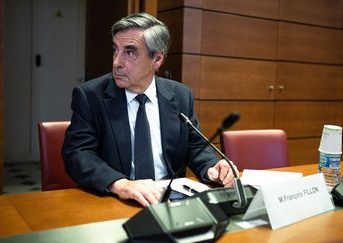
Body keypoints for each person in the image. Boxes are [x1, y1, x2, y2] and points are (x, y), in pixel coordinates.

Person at [62, 12, 236, 207]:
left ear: (157, 59)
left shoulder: (180, 95)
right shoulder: (91, 95)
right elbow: (78, 154)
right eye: (115, 50)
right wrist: (120, 184)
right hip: (116, 200)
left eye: (129, 53)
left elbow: (195, 147)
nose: (116, 62)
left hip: (169, 201)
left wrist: (212, 167)